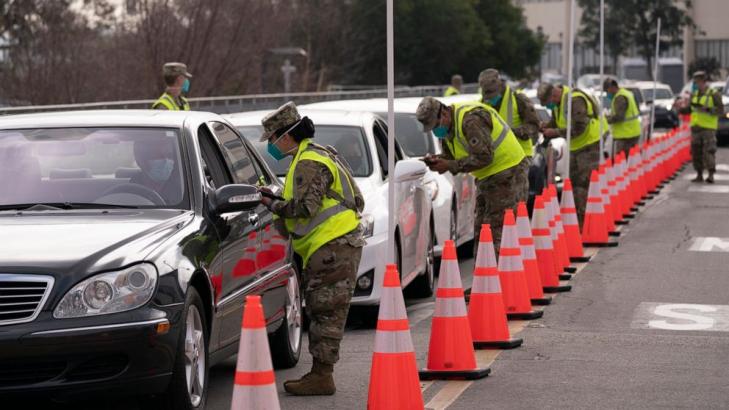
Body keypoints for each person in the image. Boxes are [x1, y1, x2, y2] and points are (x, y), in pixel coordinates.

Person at [258, 102, 365, 396]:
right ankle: (320, 373)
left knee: (325, 310)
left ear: (286, 136)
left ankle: (322, 376)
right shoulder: (314, 154)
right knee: (323, 309)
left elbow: (305, 207)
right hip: (333, 245)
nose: (271, 145)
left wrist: (272, 204)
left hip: (332, 245)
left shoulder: (309, 162)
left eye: (272, 139)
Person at [416, 96, 528, 255]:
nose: (435, 131)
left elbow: (484, 156)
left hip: (508, 171)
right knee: (482, 231)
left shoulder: (470, 120)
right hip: (488, 177)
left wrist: (449, 165)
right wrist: (439, 160)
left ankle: (497, 277)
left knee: (496, 232)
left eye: (435, 126)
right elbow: (455, 157)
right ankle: (485, 275)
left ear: (445, 113)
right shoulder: (449, 130)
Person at [538, 83, 603, 227]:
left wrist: (555, 133)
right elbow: (557, 122)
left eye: (549, 103)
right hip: (576, 147)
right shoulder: (559, 103)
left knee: (583, 185)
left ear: (554, 95)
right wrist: (546, 126)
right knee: (574, 184)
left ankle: (586, 224)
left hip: (589, 146)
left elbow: (579, 128)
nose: (550, 106)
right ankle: (580, 223)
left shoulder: (575, 101)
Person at [479, 68, 540, 160]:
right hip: (496, 159)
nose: (490, 99)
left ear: (500, 86)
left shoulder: (518, 99)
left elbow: (533, 126)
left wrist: (514, 132)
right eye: (487, 95)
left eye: (492, 94)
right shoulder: (481, 104)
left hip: (520, 157)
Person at [684, 71, 723, 183]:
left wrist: (709, 109)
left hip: (708, 128)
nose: (696, 84)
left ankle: (711, 175)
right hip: (696, 128)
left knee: (708, 152)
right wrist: (680, 109)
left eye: (697, 81)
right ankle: (699, 174)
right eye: (695, 82)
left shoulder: (714, 94)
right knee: (696, 152)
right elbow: (690, 109)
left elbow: (721, 110)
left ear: (703, 81)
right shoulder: (694, 94)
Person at [130, 137, 182, 205]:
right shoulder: (130, 189)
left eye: (169, 156)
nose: (166, 161)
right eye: (158, 156)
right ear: (141, 161)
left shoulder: (181, 190)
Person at [603, 78, 641, 158]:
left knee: (622, 160)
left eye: (607, 91)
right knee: (633, 158)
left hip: (625, 135)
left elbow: (619, 116)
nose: (607, 94)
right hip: (633, 132)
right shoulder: (627, 93)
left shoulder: (620, 97)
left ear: (612, 87)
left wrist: (606, 119)